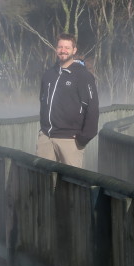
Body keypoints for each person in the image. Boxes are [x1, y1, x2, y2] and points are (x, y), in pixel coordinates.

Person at [37, 33, 99, 168]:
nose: (63, 50)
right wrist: (43, 131)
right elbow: (43, 101)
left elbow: (92, 109)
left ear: (74, 51)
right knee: (43, 181)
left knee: (71, 184)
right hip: (46, 138)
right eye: (60, 47)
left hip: (70, 140)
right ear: (56, 49)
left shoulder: (83, 76)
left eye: (67, 47)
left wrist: (84, 138)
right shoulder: (49, 75)